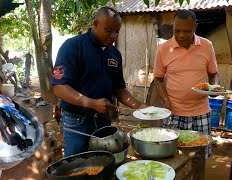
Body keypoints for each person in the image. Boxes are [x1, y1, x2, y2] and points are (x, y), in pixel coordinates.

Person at [51, 7, 147, 157]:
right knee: (77, 165)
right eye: (109, 30)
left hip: (103, 121)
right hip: (77, 121)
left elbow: (119, 89)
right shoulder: (73, 47)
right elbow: (59, 88)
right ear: (95, 23)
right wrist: (92, 103)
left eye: (117, 31)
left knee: (102, 164)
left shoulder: (114, 54)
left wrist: (139, 106)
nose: (114, 36)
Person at [153, 10, 219, 156]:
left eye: (187, 31)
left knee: (200, 156)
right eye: (177, 30)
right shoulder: (164, 49)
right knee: (173, 155)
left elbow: (213, 74)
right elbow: (158, 78)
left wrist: (214, 88)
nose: (181, 35)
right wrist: (165, 99)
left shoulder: (207, 46)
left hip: (201, 112)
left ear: (195, 27)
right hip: (174, 114)